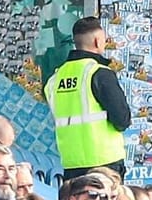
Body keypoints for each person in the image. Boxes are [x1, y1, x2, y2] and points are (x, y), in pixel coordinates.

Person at [44, 18, 131, 177]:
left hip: (71, 165)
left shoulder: (54, 79)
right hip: (105, 164)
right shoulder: (99, 73)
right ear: (98, 41)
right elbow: (122, 119)